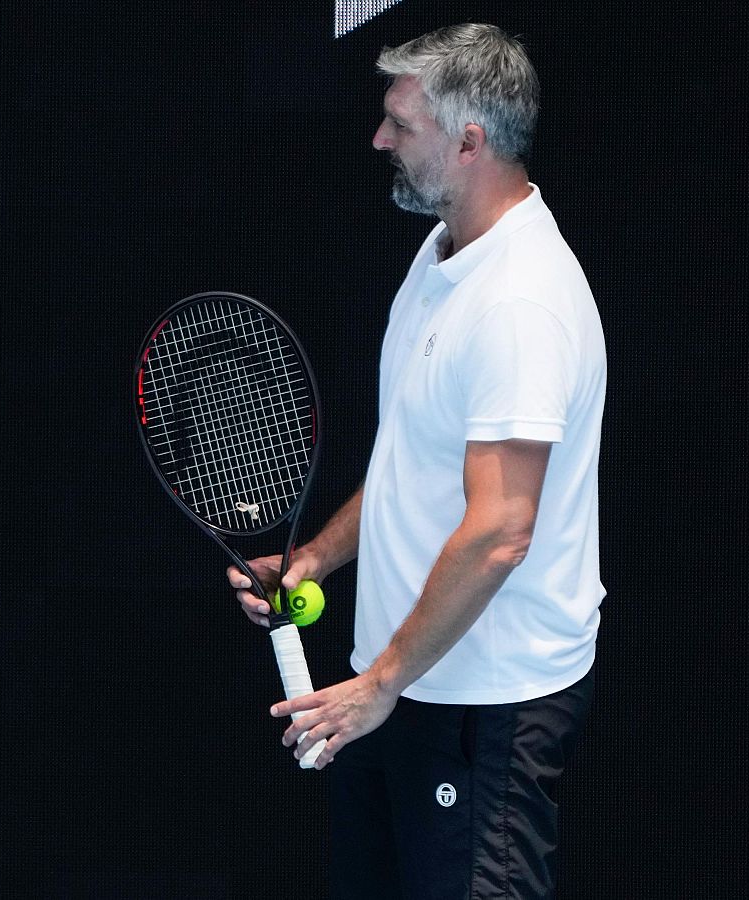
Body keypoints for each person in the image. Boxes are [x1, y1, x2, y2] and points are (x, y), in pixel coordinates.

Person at [229, 24, 605, 898]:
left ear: (469, 141)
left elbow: (502, 531)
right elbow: (412, 463)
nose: (379, 139)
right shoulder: (442, 258)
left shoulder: (520, 302)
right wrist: (316, 558)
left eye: (400, 122)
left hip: (482, 706)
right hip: (400, 687)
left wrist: (380, 683)